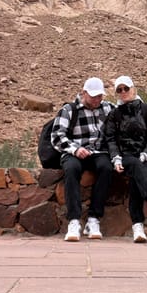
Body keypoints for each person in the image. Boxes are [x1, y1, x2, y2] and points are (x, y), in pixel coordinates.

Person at [103, 75, 147, 243]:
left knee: (136, 178)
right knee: (134, 164)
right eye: (119, 90)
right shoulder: (114, 114)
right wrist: (116, 158)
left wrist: (146, 153)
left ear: (133, 89)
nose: (123, 92)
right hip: (126, 158)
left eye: (126, 88)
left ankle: (137, 227)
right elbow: (110, 139)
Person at [51, 77, 114, 242]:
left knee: (107, 168)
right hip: (73, 151)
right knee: (71, 169)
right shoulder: (69, 110)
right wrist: (75, 149)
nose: (97, 100)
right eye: (93, 96)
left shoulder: (107, 108)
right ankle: (74, 221)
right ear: (84, 93)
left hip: (98, 152)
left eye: (100, 96)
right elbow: (57, 135)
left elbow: (129, 110)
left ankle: (93, 219)